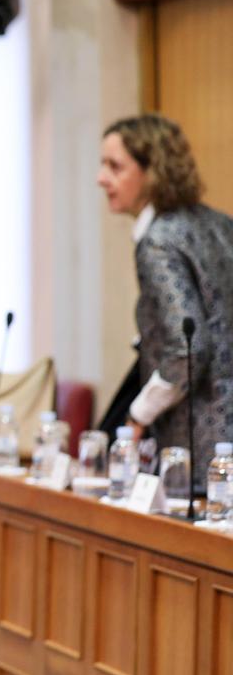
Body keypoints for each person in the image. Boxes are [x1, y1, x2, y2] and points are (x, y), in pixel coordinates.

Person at [98, 114, 233, 491]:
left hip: (203, 444)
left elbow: (188, 350)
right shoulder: (220, 223)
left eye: (115, 166)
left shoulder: (157, 241)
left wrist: (137, 416)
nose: (101, 178)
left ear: (152, 172)